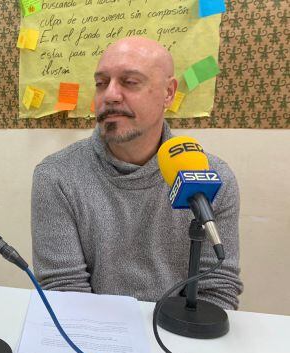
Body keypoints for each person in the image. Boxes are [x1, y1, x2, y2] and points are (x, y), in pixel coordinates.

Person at [31, 37, 242, 310]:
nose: (109, 95)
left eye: (130, 82)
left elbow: (217, 289)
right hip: (94, 336)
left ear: (168, 93)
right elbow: (65, 290)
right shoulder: (57, 176)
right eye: (101, 83)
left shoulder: (214, 179)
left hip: (179, 337)